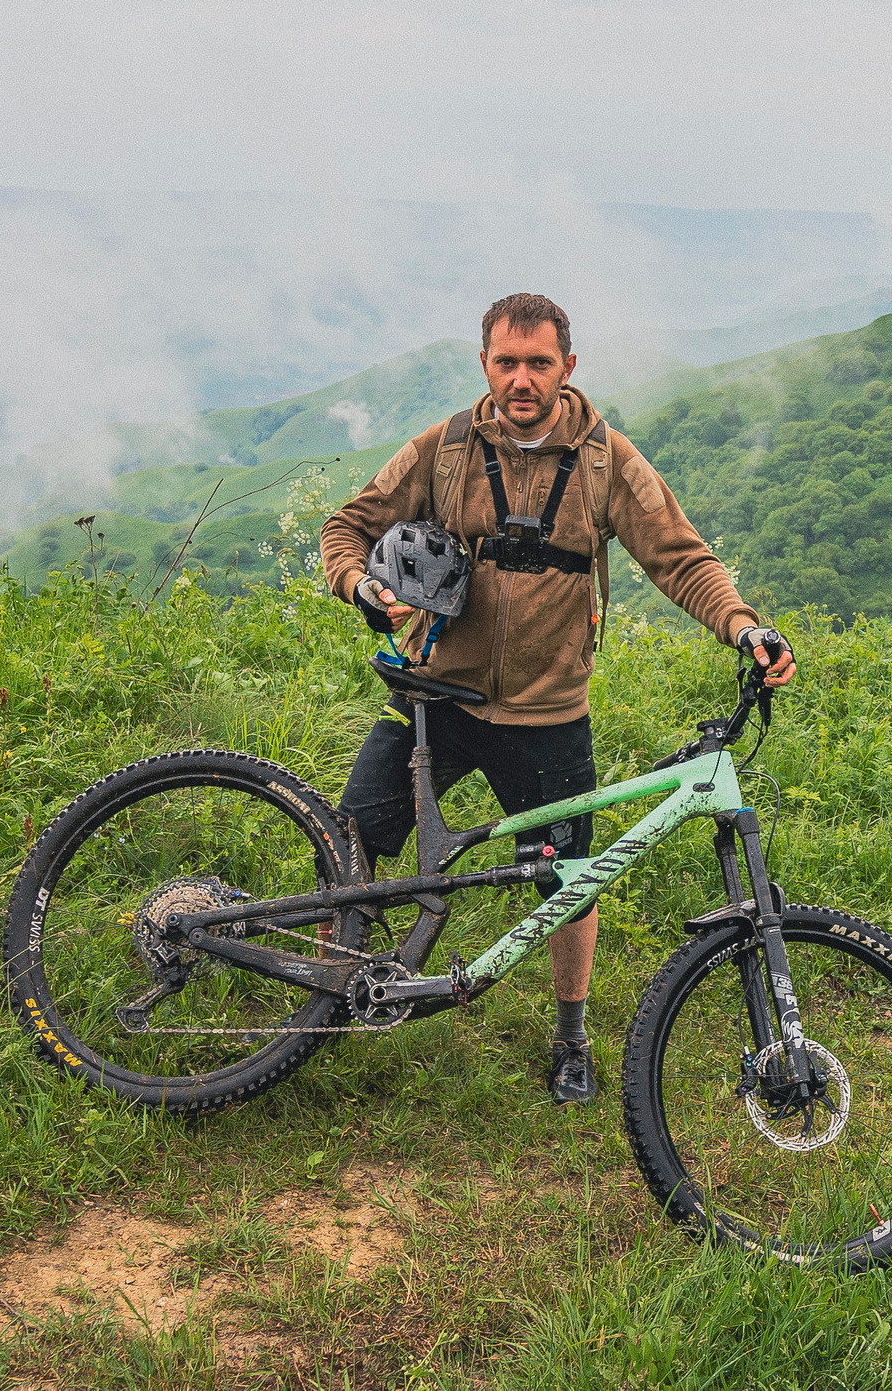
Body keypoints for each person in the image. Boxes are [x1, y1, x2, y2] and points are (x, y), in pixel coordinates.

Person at [318, 292, 794, 1104]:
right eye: (507, 362)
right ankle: (327, 992)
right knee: (353, 832)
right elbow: (347, 526)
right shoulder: (446, 449)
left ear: (568, 368)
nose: (522, 378)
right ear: (485, 366)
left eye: (539, 362)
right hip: (437, 695)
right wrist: (359, 584)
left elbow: (681, 559)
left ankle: (570, 1036)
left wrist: (744, 627)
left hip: (549, 715)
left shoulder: (607, 462)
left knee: (570, 880)